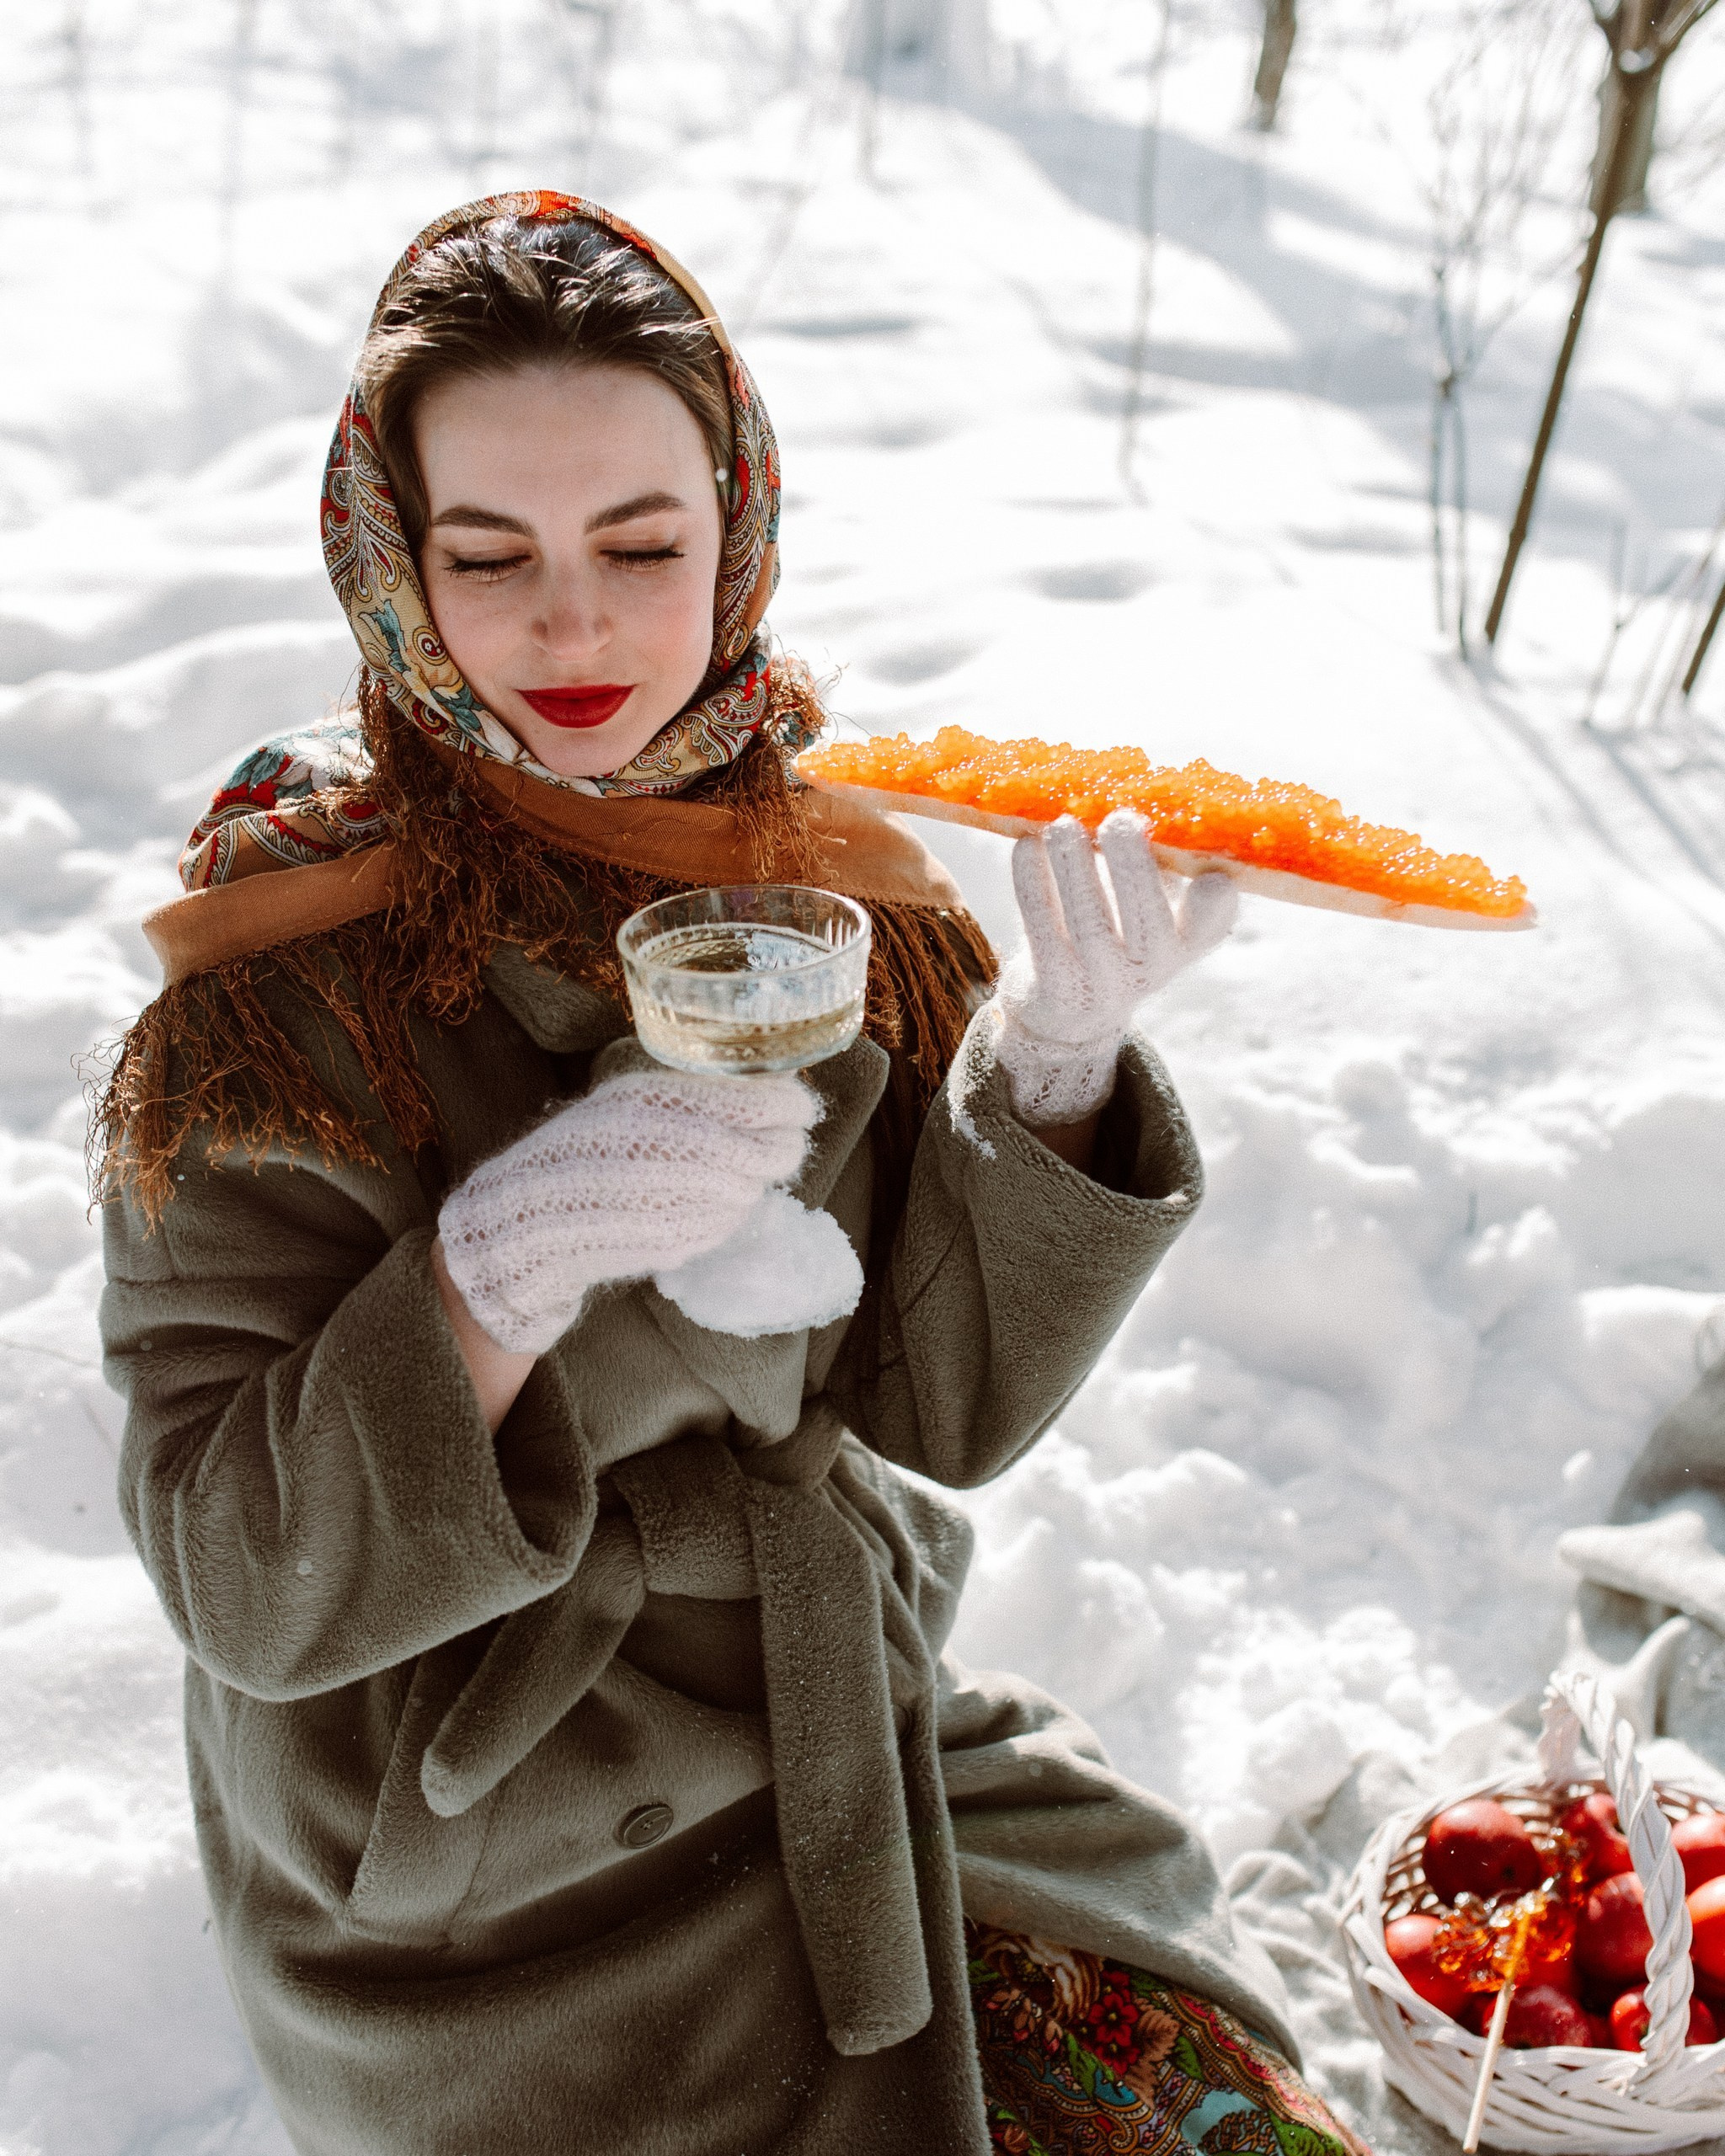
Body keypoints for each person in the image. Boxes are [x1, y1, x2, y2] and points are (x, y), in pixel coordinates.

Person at [97, 191, 1368, 2156]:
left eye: (642, 544)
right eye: (487, 553)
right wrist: (492, 1277)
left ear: (738, 526)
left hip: (840, 1730)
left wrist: (1047, 1072)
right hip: (483, 1854)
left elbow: (935, 1408)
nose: (577, 626)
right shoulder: (279, 985)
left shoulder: (821, 890)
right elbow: (237, 1579)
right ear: (388, 563)